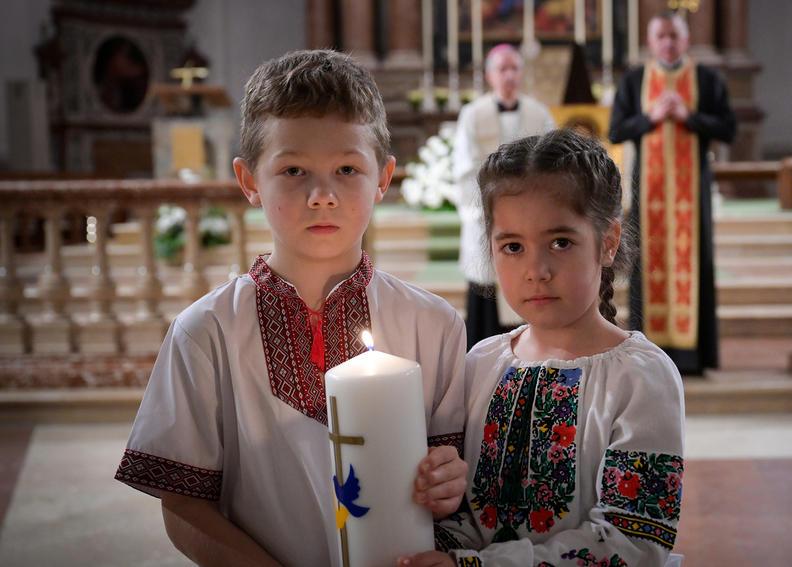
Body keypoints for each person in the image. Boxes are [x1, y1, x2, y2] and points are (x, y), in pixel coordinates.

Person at [114, 50, 469, 567]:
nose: (322, 195)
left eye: (347, 169)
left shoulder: (435, 326)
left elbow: (453, 482)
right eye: (293, 170)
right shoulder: (206, 332)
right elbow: (185, 506)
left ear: (384, 177)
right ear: (250, 181)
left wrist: (449, 481)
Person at [400, 130, 685, 566]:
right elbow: (462, 513)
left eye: (560, 242)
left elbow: (634, 540)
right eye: (513, 247)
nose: (536, 270)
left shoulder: (641, 377)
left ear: (608, 242)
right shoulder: (480, 364)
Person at [608, 10, 737, 376]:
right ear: (650, 42)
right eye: (661, 36)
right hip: (648, 195)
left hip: (692, 198)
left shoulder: (707, 79)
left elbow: (728, 129)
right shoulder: (635, 81)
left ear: (686, 39)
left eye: (674, 36)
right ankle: (649, 353)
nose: (668, 42)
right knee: (647, 263)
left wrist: (688, 116)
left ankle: (693, 357)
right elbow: (616, 130)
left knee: (694, 264)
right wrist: (650, 118)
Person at [453, 43, 556, 348]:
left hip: (530, 218)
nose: (509, 75)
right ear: (490, 75)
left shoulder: (539, 113)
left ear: (522, 73)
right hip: (485, 218)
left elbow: (552, 164)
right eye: (502, 69)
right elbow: (465, 167)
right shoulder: (473, 114)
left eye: (514, 68)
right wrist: (481, 213)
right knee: (486, 287)